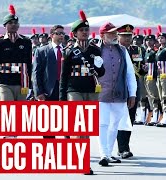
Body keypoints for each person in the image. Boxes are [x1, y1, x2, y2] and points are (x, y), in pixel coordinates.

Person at [59, 10, 105, 175]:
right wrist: (62, 98)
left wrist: (99, 66)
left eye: (86, 30)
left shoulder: (95, 50)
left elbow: (101, 74)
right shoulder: (69, 51)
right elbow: (63, 76)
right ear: (75, 33)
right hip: (74, 90)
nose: (85, 32)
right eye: (81, 30)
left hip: (92, 90)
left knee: (87, 128)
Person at [97, 22, 137, 166]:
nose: (114, 36)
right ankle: (103, 153)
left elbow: (130, 74)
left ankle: (109, 152)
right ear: (102, 35)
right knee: (103, 123)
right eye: (111, 33)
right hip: (101, 93)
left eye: (115, 33)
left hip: (119, 93)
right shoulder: (96, 49)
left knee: (114, 124)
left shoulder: (122, 50)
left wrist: (132, 93)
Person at [0, 5, 32, 139]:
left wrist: (30, 85)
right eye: (10, 23)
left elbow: (29, 64)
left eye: (16, 23)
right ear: (5, 25)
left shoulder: (26, 42)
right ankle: (8, 136)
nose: (13, 25)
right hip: (5, 82)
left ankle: (13, 136)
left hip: (22, 82)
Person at [116, 24, 146, 159]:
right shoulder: (114, 49)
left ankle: (125, 146)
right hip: (117, 86)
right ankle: (119, 147)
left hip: (133, 85)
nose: (128, 38)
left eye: (129, 36)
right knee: (117, 117)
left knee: (130, 117)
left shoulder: (137, 49)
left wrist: (143, 70)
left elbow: (140, 70)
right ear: (118, 36)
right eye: (124, 36)